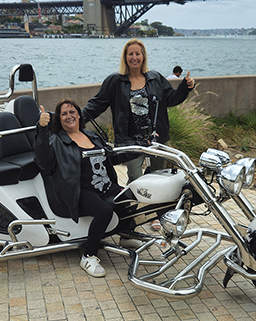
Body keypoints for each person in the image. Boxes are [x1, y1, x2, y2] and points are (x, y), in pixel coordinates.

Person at [82, 38, 194, 231]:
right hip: (130, 141)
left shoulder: (155, 78)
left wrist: (185, 87)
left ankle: (158, 214)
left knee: (158, 177)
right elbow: (96, 104)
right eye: (130, 54)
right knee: (136, 179)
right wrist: (76, 119)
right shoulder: (115, 82)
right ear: (125, 57)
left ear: (143, 57)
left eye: (138, 53)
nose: (134, 57)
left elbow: (171, 99)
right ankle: (134, 217)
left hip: (156, 138)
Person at [34, 99, 131, 278]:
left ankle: (126, 234)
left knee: (132, 197)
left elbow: (112, 157)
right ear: (59, 119)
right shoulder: (57, 140)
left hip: (106, 186)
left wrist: (141, 148)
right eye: (64, 114)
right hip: (80, 191)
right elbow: (43, 161)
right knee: (104, 211)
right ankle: (88, 255)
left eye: (72, 112)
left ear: (79, 114)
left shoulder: (92, 135)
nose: (69, 116)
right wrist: (41, 129)